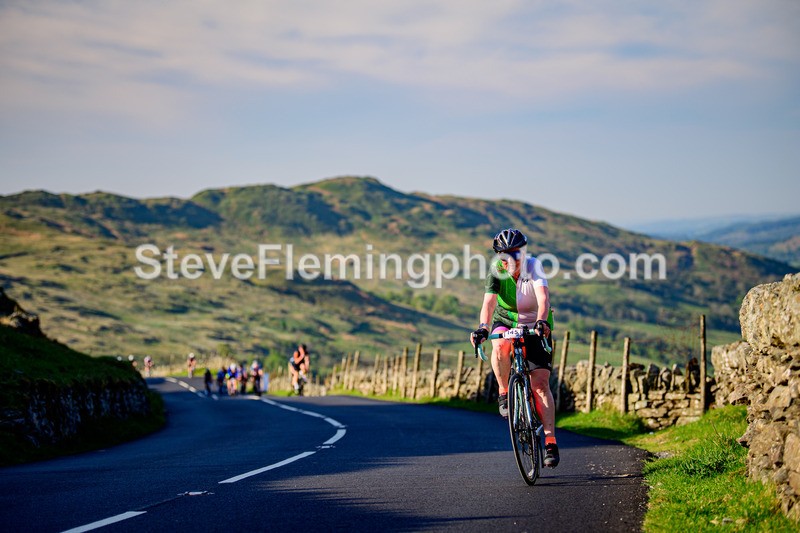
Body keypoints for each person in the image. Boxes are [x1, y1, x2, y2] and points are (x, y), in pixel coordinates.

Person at [470, 228, 560, 468]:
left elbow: (544, 300)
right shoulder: (496, 270)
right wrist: (482, 327)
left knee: (540, 384)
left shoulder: (534, 266)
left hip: (535, 323)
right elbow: (488, 303)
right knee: (498, 345)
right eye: (504, 255)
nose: (510, 259)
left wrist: (541, 322)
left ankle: (550, 441)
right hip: (506, 320)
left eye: (515, 253)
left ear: (523, 252)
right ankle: (503, 393)